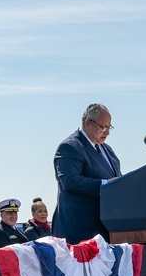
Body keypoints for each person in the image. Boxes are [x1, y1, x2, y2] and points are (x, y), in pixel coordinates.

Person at [52, 103, 121, 244]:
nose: (107, 132)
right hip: (79, 235)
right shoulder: (70, 147)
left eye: (109, 127)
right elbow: (70, 181)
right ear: (88, 123)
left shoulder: (108, 150)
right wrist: (106, 185)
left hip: (107, 233)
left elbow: (118, 181)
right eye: (103, 127)